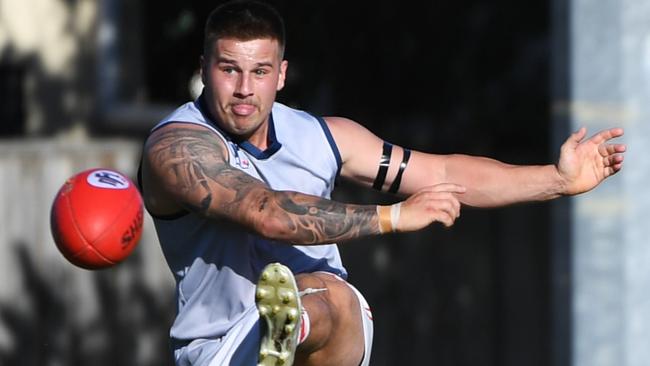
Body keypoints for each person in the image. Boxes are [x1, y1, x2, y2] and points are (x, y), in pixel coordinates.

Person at [138, 1, 626, 365]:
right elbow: (265, 213)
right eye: (230, 70)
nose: (245, 88)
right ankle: (280, 337)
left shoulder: (323, 136)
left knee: (327, 293)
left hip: (327, 336)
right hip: (222, 350)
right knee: (318, 292)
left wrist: (557, 179)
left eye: (260, 71)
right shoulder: (177, 149)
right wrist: (395, 216)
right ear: (205, 70)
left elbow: (444, 175)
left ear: (281, 75)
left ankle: (290, 331)